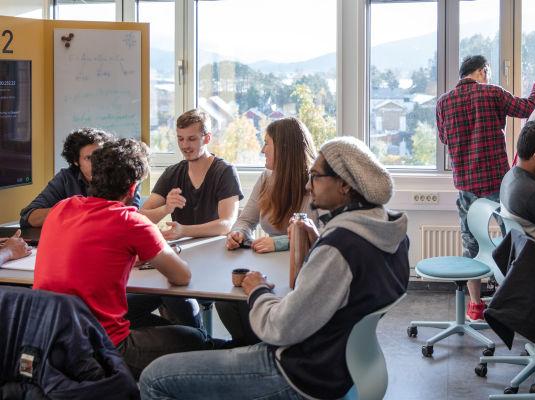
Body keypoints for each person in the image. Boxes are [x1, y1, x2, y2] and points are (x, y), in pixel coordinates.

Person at [139, 137, 410, 400]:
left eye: (315, 176)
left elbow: (278, 329)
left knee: (155, 377)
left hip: (299, 372)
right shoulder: (389, 233)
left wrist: (257, 290)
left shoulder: (341, 246)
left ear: (345, 186)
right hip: (342, 364)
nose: (308, 184)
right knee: (223, 344)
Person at [32, 138, 216, 378]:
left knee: (148, 300)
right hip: (103, 347)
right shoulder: (130, 221)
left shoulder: (61, 208)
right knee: (197, 338)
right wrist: (171, 249)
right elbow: (182, 276)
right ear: (132, 188)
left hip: (48, 340)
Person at [437, 54, 535, 321]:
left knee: (471, 243)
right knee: (512, 241)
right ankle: (511, 301)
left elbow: (444, 137)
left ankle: (476, 305)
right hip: (496, 183)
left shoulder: (443, 102)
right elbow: (528, 108)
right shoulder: (492, 93)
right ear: (482, 71)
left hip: (465, 184)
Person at [136, 109, 244, 329]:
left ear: (207, 138)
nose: (185, 145)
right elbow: (141, 216)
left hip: (216, 258)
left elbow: (226, 224)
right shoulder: (172, 173)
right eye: (180, 139)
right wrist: (166, 207)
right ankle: (197, 338)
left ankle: (198, 338)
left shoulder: (224, 172)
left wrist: (184, 231)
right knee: (168, 295)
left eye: (192, 139)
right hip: (180, 256)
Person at [218, 117, 319, 346]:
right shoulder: (265, 179)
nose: (262, 150)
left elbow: (316, 235)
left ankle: (268, 350)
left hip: (300, 270)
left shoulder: (315, 185)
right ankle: (250, 347)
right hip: (269, 266)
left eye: (267, 144)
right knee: (226, 302)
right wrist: (239, 233)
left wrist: (279, 242)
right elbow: (246, 219)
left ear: (284, 149)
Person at [19, 128, 141, 228]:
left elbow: (132, 218)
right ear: (76, 161)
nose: (97, 162)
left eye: (101, 155)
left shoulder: (123, 175)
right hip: (75, 241)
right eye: (89, 158)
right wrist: (74, 210)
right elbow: (30, 217)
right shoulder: (66, 178)